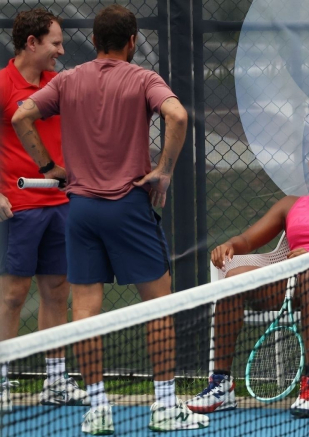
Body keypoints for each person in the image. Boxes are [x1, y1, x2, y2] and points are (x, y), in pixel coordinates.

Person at [11, 4, 209, 434]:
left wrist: (49, 170)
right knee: (159, 305)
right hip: (128, 207)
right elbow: (176, 114)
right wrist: (164, 172)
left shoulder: (67, 79)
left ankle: (98, 408)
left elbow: (21, 115)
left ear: (95, 40)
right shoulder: (143, 79)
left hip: (79, 211)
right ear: (133, 41)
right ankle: (163, 407)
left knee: (84, 308)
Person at [186, 136, 309, 417]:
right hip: (293, 284)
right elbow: (247, 239)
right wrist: (231, 245)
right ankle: (221, 384)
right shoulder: (290, 204)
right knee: (235, 277)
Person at [0, 9, 89, 411]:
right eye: (54, 42)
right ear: (31, 43)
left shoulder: (58, 86)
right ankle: (2, 379)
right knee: (12, 297)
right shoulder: (3, 84)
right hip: (16, 207)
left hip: (62, 205)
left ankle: (55, 381)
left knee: (57, 292)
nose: (61, 49)